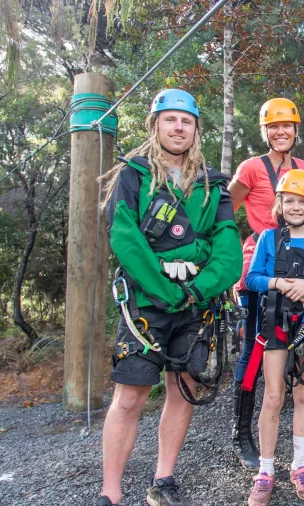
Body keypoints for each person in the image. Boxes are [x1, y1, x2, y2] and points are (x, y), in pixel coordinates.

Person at [95, 89, 241, 506]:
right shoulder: (134, 175)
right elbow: (125, 238)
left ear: (196, 129)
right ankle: (110, 493)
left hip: (197, 304)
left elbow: (227, 248)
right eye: (170, 119)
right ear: (155, 124)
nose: (178, 127)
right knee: (130, 395)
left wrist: (195, 290)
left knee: (183, 388)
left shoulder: (213, 185)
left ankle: (164, 479)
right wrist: (165, 290)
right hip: (145, 304)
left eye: (186, 121)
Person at [228, 99, 304, 471]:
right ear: (265, 131)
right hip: (264, 255)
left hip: (302, 262)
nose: (281, 132)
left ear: (295, 131)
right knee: (254, 346)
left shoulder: (303, 169)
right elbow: (225, 213)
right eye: (274, 126)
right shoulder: (250, 169)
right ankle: (242, 430)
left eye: (287, 126)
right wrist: (237, 260)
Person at [242, 170, 304, 505]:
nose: (296, 207)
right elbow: (252, 278)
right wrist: (280, 284)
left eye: (303, 203)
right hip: (276, 324)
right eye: (290, 201)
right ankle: (265, 471)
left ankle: (299, 465)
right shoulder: (269, 239)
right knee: (272, 396)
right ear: (280, 204)